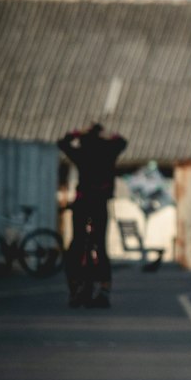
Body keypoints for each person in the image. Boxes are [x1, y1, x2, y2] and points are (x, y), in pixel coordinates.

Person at [58, 123, 127, 308]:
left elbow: (62, 143)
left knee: (77, 243)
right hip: (99, 203)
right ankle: (104, 290)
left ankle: (75, 288)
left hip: (82, 203)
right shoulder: (108, 151)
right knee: (99, 245)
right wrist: (107, 134)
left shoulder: (82, 153)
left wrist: (76, 132)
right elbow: (122, 141)